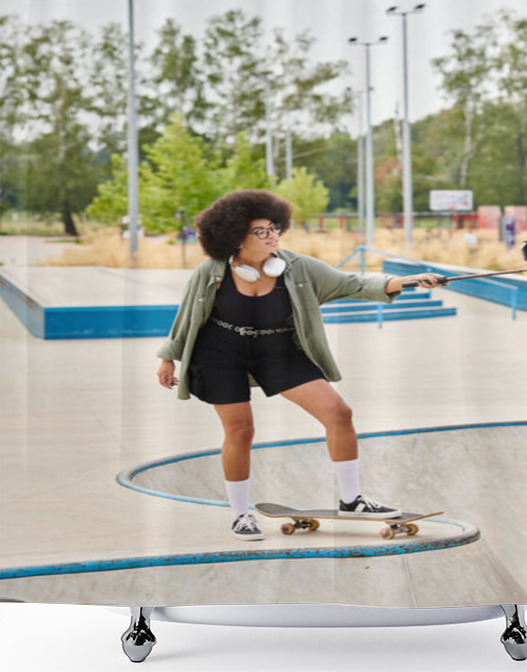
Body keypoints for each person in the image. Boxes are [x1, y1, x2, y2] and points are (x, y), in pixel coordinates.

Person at [156, 189, 444, 541]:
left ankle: (351, 500)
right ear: (235, 237)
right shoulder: (212, 271)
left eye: (274, 228)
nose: (272, 235)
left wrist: (406, 281)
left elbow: (353, 284)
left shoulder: (298, 267)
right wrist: (169, 356)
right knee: (241, 431)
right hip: (221, 351)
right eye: (260, 231)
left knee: (339, 413)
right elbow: (187, 315)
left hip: (277, 348)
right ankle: (240, 514)